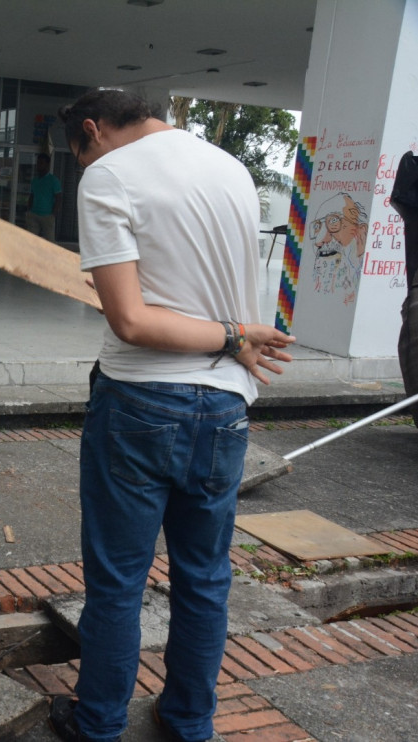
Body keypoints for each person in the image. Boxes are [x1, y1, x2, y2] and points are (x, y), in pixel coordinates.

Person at [49, 89, 295, 742]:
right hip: (224, 408)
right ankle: (189, 720)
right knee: (205, 577)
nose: (82, 166)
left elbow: (129, 321)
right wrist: (230, 341)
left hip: (139, 403)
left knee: (117, 582)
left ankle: (97, 723)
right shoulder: (229, 168)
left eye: (77, 154)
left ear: (92, 132)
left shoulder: (107, 174)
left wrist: (230, 335)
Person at [25, 152, 62, 241]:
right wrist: (29, 210)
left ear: (47, 165)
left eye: (41, 163)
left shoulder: (54, 180)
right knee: (31, 240)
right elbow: (32, 195)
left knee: (49, 242)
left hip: (47, 215)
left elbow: (59, 198)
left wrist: (53, 214)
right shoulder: (35, 180)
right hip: (33, 214)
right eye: (38, 163)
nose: (38, 165)